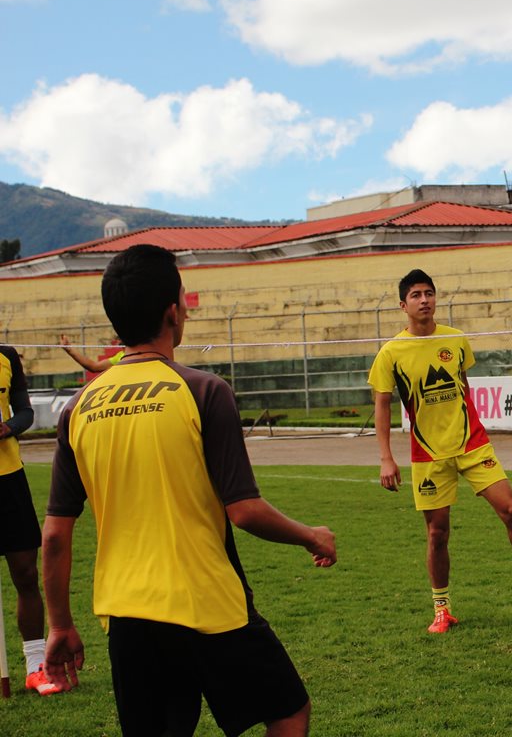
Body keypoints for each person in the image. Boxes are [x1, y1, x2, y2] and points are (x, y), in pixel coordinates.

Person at [41, 244, 337, 737]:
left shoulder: (78, 409)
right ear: (172, 313)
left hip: (127, 615)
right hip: (207, 603)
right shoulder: (203, 391)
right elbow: (244, 511)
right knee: (289, 712)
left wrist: (59, 624)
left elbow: (54, 535)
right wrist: (312, 536)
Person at [369, 268, 512, 633]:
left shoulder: (456, 340)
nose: (424, 300)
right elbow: (381, 406)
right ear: (403, 305)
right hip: (428, 454)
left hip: (473, 444)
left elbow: (464, 386)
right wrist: (386, 457)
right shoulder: (391, 352)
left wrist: (471, 427)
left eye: (429, 293)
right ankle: (442, 608)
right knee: (437, 534)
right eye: (416, 295)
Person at [0, 343, 64, 696]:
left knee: (25, 573)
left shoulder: (6, 356)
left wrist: (8, 427)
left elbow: (24, 412)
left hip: (9, 478)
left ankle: (36, 667)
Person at [58, 334, 124, 375]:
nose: (117, 342)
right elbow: (94, 367)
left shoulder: (123, 356)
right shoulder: (120, 356)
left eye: (119, 339)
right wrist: (70, 350)